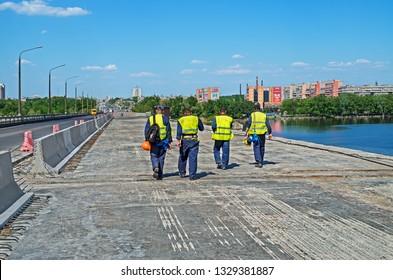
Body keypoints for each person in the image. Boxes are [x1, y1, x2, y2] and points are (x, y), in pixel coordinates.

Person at [144, 105, 172, 180]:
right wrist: (169, 141)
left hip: (153, 141)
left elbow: (147, 130)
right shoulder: (165, 119)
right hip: (163, 141)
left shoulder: (151, 118)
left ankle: (155, 167)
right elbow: (168, 131)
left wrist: (147, 140)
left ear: (156, 111)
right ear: (162, 111)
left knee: (154, 155)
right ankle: (160, 174)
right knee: (161, 157)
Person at [176, 109, 204, 180]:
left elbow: (179, 131)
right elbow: (202, 128)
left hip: (185, 140)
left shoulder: (181, 120)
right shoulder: (196, 118)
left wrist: (178, 140)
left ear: (184, 113)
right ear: (190, 113)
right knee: (193, 158)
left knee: (183, 156)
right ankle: (192, 176)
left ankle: (182, 172)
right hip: (194, 140)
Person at [244, 103, 272, 168]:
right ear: (260, 108)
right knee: (262, 147)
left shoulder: (252, 115)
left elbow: (249, 124)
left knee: (256, 147)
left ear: (254, 108)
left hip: (255, 133)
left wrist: (246, 132)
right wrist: (270, 133)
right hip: (262, 133)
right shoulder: (264, 115)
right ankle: (261, 160)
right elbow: (268, 125)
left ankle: (259, 161)